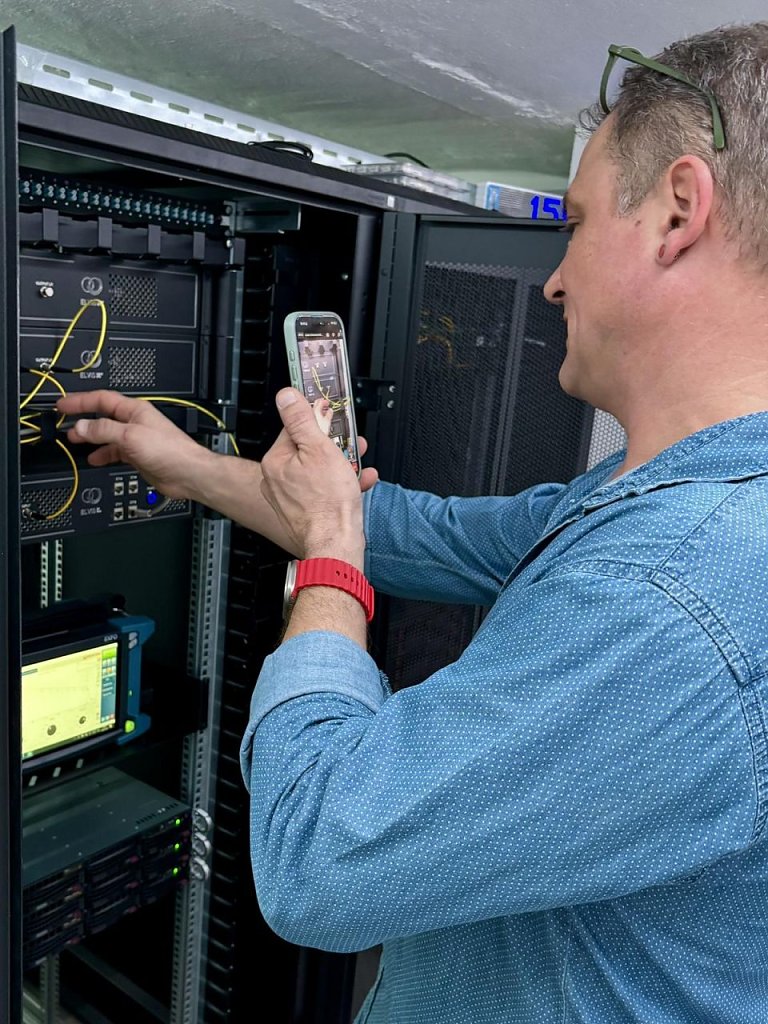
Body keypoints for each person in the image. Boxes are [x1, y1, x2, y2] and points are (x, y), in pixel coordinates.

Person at [57, 21, 768, 1024]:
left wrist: (329, 565)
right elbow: (420, 532)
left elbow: (318, 858)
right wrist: (191, 467)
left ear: (678, 212)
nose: (555, 279)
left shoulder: (669, 598)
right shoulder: (673, 502)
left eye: (574, 223)